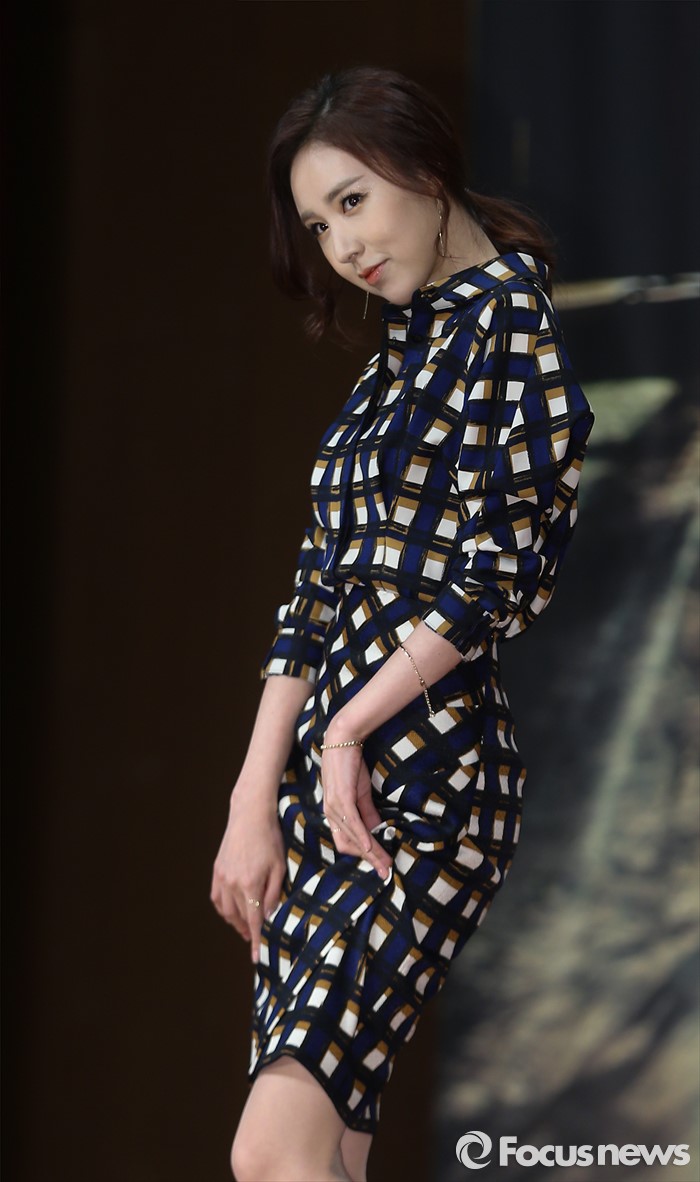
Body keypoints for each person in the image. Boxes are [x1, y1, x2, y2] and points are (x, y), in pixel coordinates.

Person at [210, 66, 595, 1182]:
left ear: (426, 172)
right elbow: (316, 592)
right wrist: (252, 796)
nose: (341, 246)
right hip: (327, 787)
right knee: (324, 1150)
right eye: (316, 225)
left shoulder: (508, 322)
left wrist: (345, 733)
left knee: (272, 1153)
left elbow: (495, 579)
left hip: (423, 779)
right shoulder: (404, 350)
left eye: (352, 202)